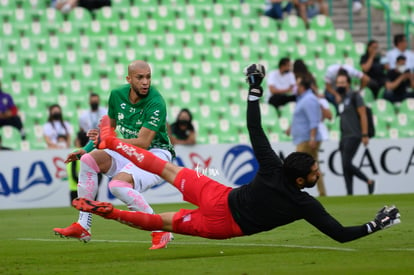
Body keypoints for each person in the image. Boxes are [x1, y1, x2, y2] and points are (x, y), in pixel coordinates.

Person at [72, 64, 400, 244]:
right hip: (223, 222)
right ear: (301, 179)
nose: (318, 174)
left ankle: (111, 142)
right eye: (315, 172)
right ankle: (105, 211)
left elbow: (255, 129)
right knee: (160, 221)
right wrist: (375, 225)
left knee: (164, 168)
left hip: (220, 194)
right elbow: (341, 235)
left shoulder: (275, 166)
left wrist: (254, 90)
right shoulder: (303, 203)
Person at [53, 60, 175, 250]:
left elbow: (143, 142)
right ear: (129, 79)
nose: (145, 82)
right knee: (88, 161)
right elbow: (106, 130)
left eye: (148, 77)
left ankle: (161, 228)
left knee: (117, 185)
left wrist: (109, 142)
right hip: (128, 150)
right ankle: (83, 225)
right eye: (140, 77)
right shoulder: (117, 95)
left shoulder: (156, 101)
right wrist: (85, 149)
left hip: (156, 152)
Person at [336, 71, 375, 195]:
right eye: (338, 83)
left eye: (342, 82)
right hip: (344, 136)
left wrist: (364, 134)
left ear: (348, 83)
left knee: (346, 162)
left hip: (354, 134)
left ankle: (368, 180)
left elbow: (363, 115)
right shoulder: (341, 98)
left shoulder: (355, 96)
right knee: (345, 166)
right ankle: (349, 193)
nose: (340, 85)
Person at [288, 77, 326, 196]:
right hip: (304, 138)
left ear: (302, 87)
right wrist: (291, 128)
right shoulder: (305, 99)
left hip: (306, 139)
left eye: (298, 86)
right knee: (314, 168)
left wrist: (312, 137)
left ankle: (293, 192)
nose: (296, 88)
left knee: (296, 166)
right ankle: (322, 192)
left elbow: (313, 120)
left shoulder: (309, 99)